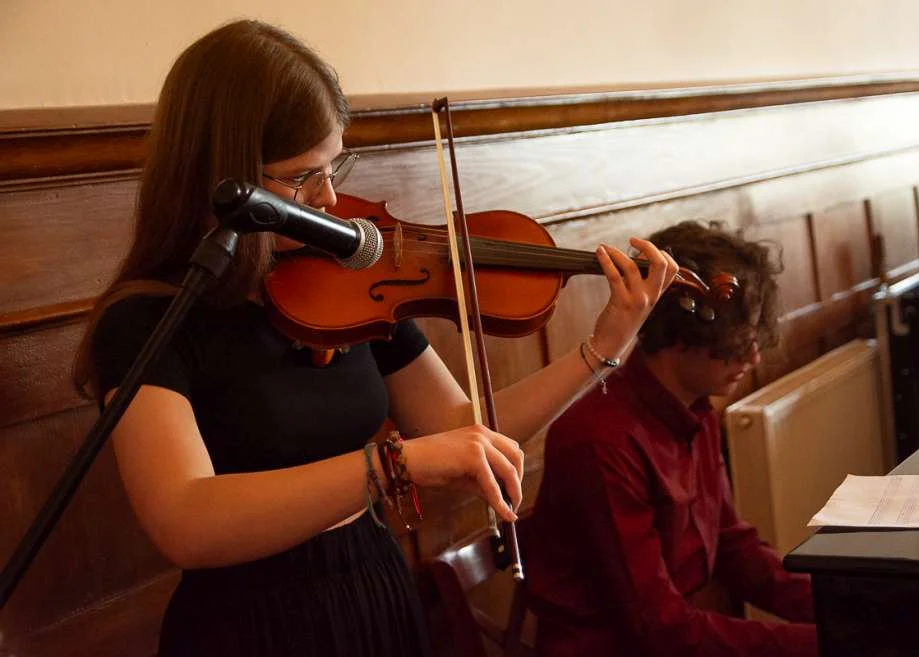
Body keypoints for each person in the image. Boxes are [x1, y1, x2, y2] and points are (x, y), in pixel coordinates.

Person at [70, 19, 677, 657]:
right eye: (302, 178)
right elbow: (185, 520)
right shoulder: (147, 320)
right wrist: (390, 464)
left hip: (371, 586)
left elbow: (463, 425)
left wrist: (600, 350)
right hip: (249, 625)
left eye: (334, 165)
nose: (330, 199)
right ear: (221, 180)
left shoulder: (342, 276)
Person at [526, 220, 818, 657]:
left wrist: (849, 609)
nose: (753, 357)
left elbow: (734, 547)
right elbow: (659, 629)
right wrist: (826, 643)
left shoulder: (696, 409)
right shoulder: (600, 440)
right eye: (736, 339)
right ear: (681, 333)